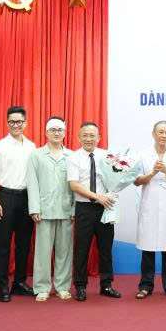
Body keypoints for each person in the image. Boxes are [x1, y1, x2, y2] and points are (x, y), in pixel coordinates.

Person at [68, 121, 122, 301]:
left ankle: (106, 285)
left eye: (92, 135)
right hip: (84, 208)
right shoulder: (74, 157)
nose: (89, 139)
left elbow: (116, 179)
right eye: (85, 135)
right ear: (79, 137)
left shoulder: (107, 156)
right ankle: (80, 286)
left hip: (105, 207)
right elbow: (74, 185)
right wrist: (97, 196)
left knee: (106, 248)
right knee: (81, 249)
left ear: (98, 137)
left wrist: (111, 194)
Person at [0, 106, 36, 302]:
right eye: (12, 122)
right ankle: (2, 287)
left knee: (24, 245)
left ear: (25, 123)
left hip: (26, 198)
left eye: (19, 121)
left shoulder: (32, 147)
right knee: (3, 245)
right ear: (7, 123)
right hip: (5, 197)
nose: (15, 125)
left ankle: (19, 283)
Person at [134, 120, 166, 299]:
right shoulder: (143, 155)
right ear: (153, 134)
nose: (164, 135)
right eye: (161, 132)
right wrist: (153, 173)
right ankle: (145, 286)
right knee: (147, 248)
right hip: (149, 204)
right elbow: (136, 181)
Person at [27, 116, 74, 301]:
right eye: (53, 129)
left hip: (66, 210)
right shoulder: (36, 155)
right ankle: (42, 287)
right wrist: (34, 208)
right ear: (46, 132)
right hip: (44, 210)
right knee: (42, 252)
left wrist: (74, 210)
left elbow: (76, 185)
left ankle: (62, 286)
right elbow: (32, 183)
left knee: (65, 252)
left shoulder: (71, 156)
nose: (56, 133)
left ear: (65, 133)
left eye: (60, 130)